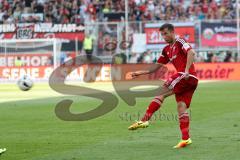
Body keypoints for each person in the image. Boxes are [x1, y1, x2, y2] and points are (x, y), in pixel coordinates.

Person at [127, 23, 198, 149]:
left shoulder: (180, 41)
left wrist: (186, 70)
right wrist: (141, 73)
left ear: (172, 32)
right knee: (181, 107)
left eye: (166, 33)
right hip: (189, 80)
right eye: (162, 34)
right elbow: (157, 66)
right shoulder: (166, 50)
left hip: (186, 76)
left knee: (161, 92)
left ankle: (144, 120)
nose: (164, 36)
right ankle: (186, 139)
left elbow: (191, 52)